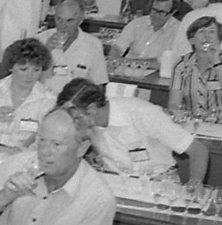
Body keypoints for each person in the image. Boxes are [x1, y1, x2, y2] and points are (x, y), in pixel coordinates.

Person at [57, 77, 208, 184]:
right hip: (113, 182)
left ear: (91, 110)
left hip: (157, 184)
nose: (70, 121)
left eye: (75, 115)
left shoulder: (142, 113)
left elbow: (198, 150)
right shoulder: (83, 124)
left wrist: (195, 183)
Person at [172, 17, 222, 126]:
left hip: (221, 125)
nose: (207, 36)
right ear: (192, 40)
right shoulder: (182, 64)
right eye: (201, 31)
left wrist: (216, 61)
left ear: (219, 39)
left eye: (212, 31)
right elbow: (174, 104)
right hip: (191, 124)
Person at [42, 0, 109, 88]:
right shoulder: (41, 39)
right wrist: (45, 52)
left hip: (74, 99)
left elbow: (98, 83)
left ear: (80, 21)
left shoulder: (93, 45)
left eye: (69, 21)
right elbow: (24, 75)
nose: (62, 26)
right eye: (59, 19)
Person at [109, 0, 184, 61]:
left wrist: (131, 62)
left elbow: (164, 63)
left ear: (172, 12)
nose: (156, 16)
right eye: (154, 10)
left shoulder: (177, 30)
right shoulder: (137, 23)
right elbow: (117, 48)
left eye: (162, 12)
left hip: (155, 73)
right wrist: (113, 60)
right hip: (127, 68)